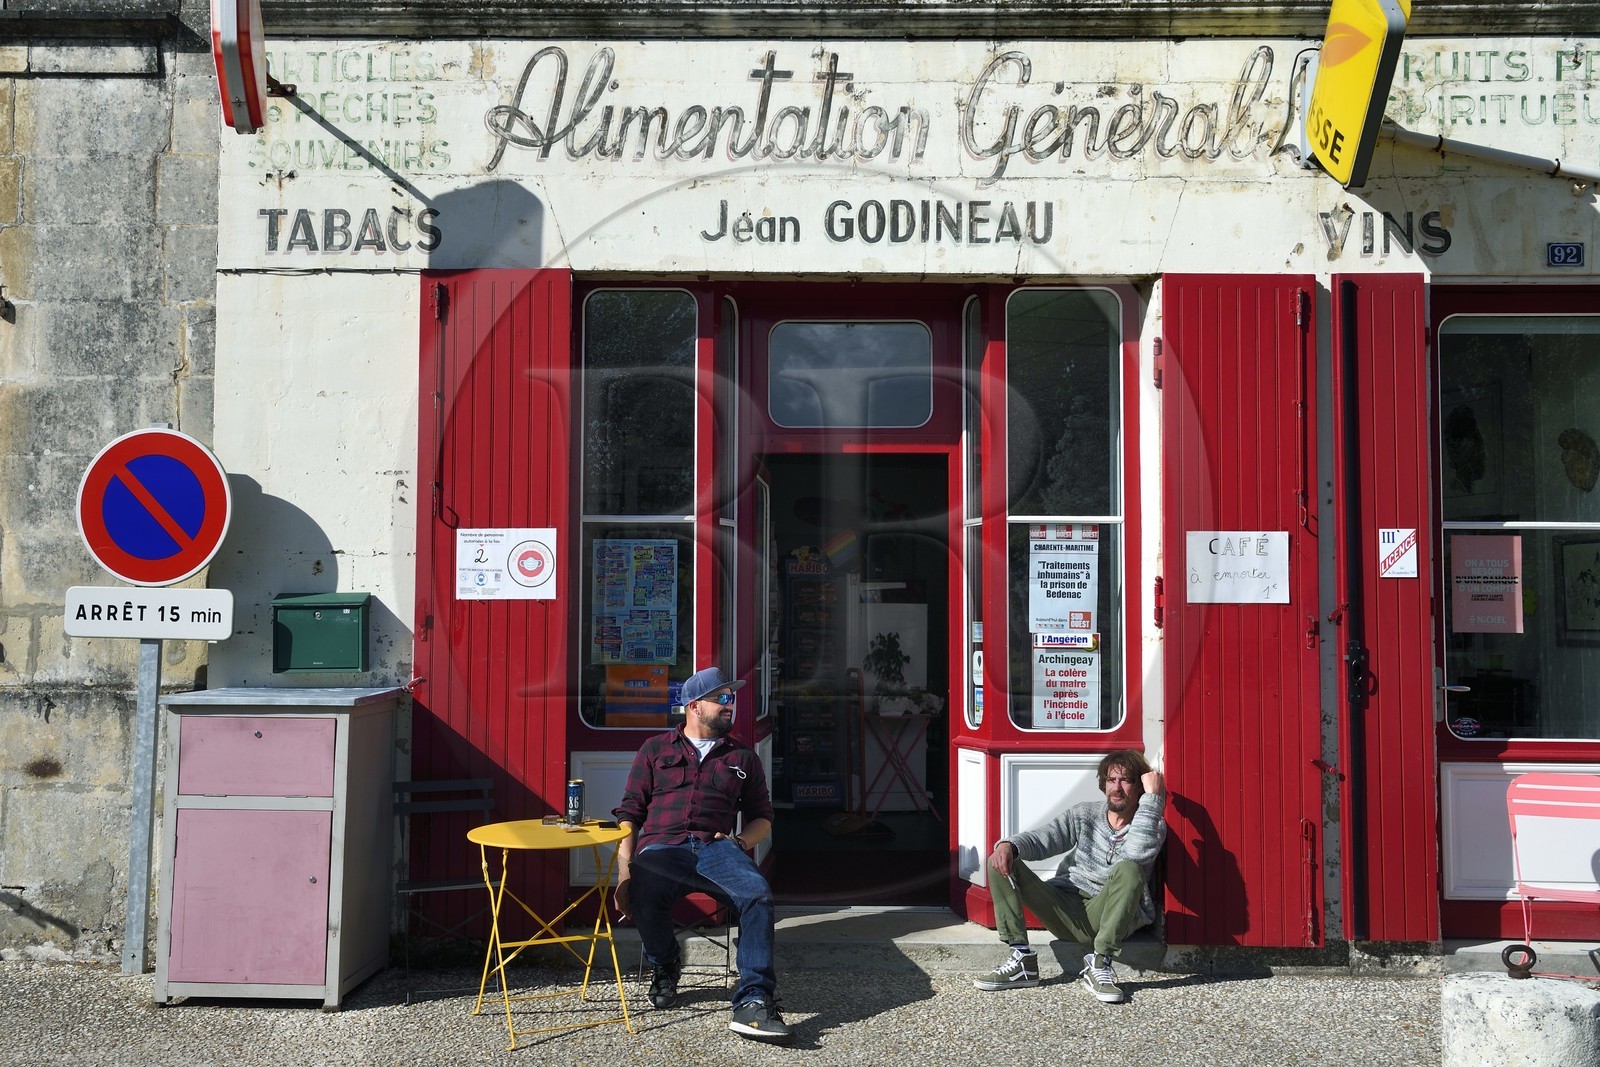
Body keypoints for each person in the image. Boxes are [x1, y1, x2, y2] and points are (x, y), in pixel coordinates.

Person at [611, 666, 791, 1042]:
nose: (730, 705)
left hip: (716, 847)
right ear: (694, 705)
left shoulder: (742, 757)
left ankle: (754, 999)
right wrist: (624, 872)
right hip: (663, 847)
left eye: (732, 698)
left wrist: (740, 843)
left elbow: (763, 817)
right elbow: (629, 814)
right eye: (721, 698)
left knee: (756, 892)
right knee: (644, 887)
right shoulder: (655, 749)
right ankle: (666, 965)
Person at [973, 749, 1167, 1004]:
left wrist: (1152, 799)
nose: (1117, 788)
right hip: (1065, 909)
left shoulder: (1151, 823)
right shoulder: (1085, 814)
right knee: (1000, 859)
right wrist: (1010, 845)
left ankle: (1101, 962)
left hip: (1106, 914)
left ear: (1139, 786)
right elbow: (1045, 838)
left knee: (1129, 869)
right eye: (1111, 780)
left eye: (1126, 781)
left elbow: (1136, 855)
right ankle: (1021, 959)